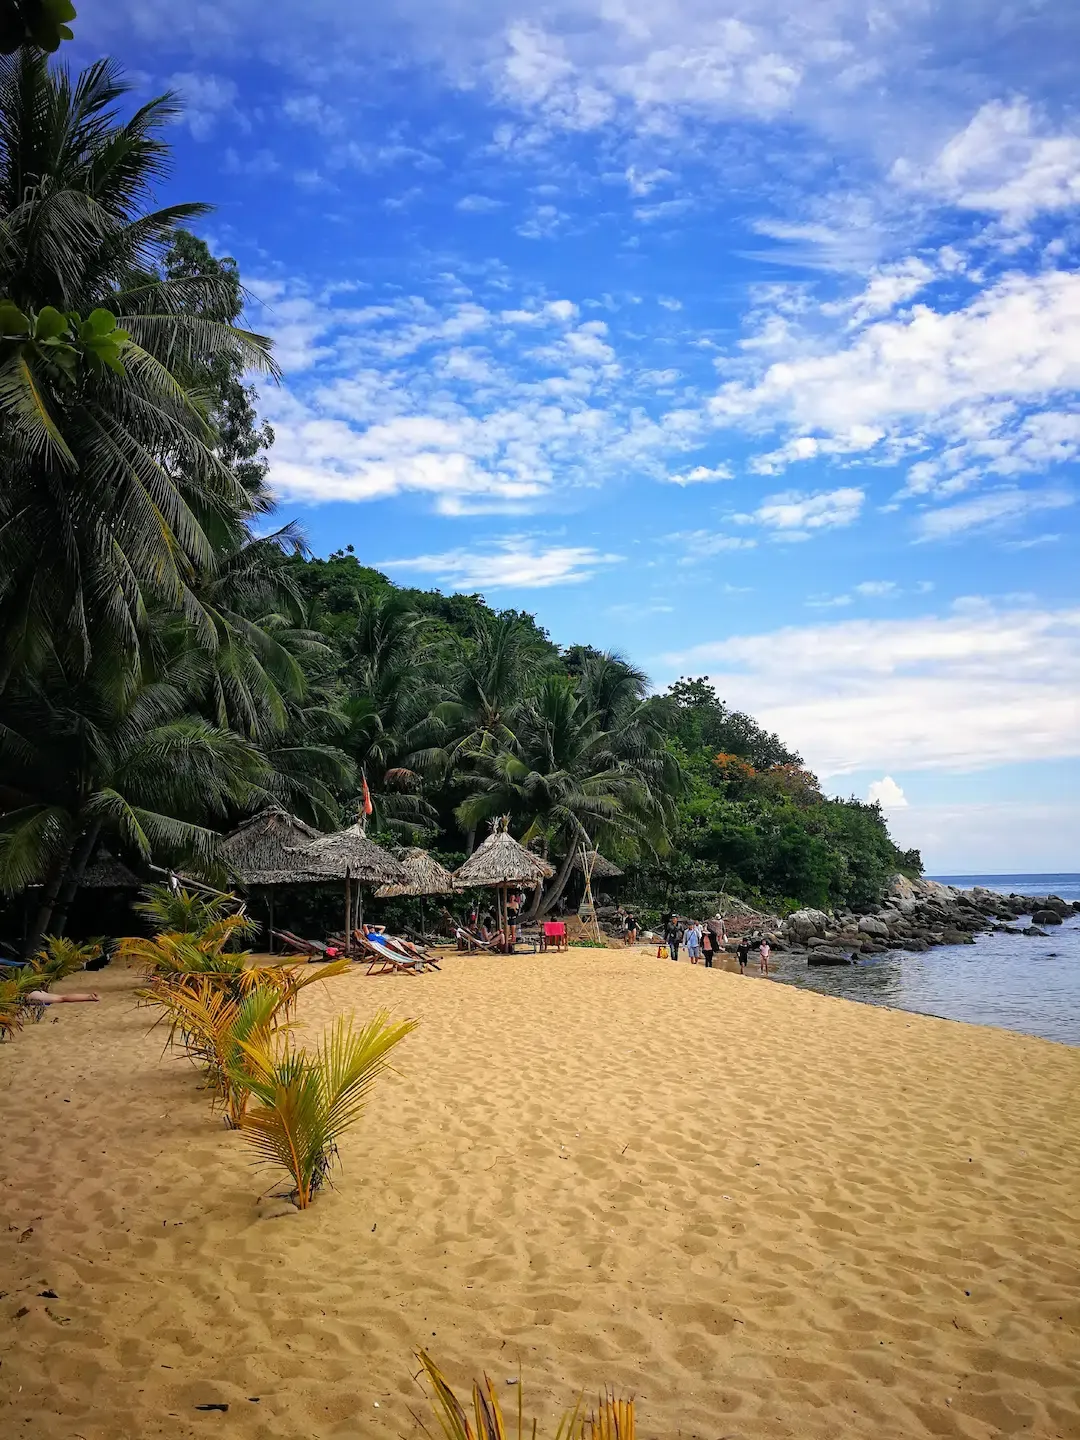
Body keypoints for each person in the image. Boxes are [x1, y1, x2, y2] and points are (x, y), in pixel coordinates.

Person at [26, 990, 99, 1004]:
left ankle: (89, 997)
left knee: (62, 998)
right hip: (35, 993)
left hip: (32, 995)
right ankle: (88, 996)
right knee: (62, 997)